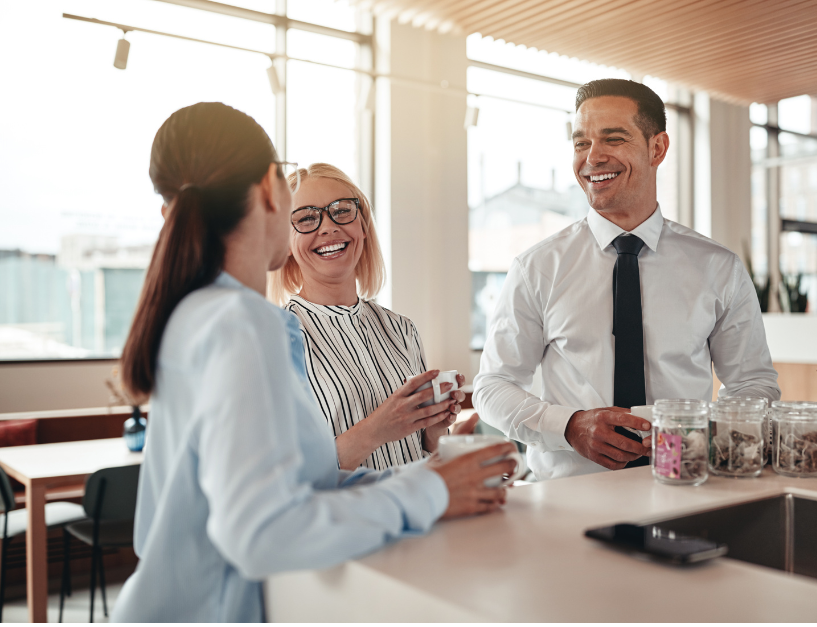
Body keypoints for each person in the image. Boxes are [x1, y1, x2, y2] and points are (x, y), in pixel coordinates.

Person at [111, 102, 515, 622]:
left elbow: (305, 484)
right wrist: (429, 490)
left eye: (344, 211)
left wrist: (436, 476)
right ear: (267, 190)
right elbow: (262, 532)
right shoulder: (242, 322)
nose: (326, 226)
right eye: (303, 210)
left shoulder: (200, 313)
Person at [474, 79, 780, 481]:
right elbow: (493, 386)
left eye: (612, 139)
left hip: (685, 489)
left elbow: (753, 385)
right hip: (567, 501)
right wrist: (568, 425)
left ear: (658, 148)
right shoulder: (537, 268)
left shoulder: (717, 267)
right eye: (581, 143)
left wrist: (698, 433)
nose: (592, 157)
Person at [268, 163, 477, 471]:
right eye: (306, 218)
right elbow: (288, 475)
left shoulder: (402, 329)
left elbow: (423, 456)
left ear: (362, 227)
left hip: (420, 513)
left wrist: (434, 431)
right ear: (285, 242)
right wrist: (376, 429)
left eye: (341, 211)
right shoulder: (275, 340)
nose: (328, 227)